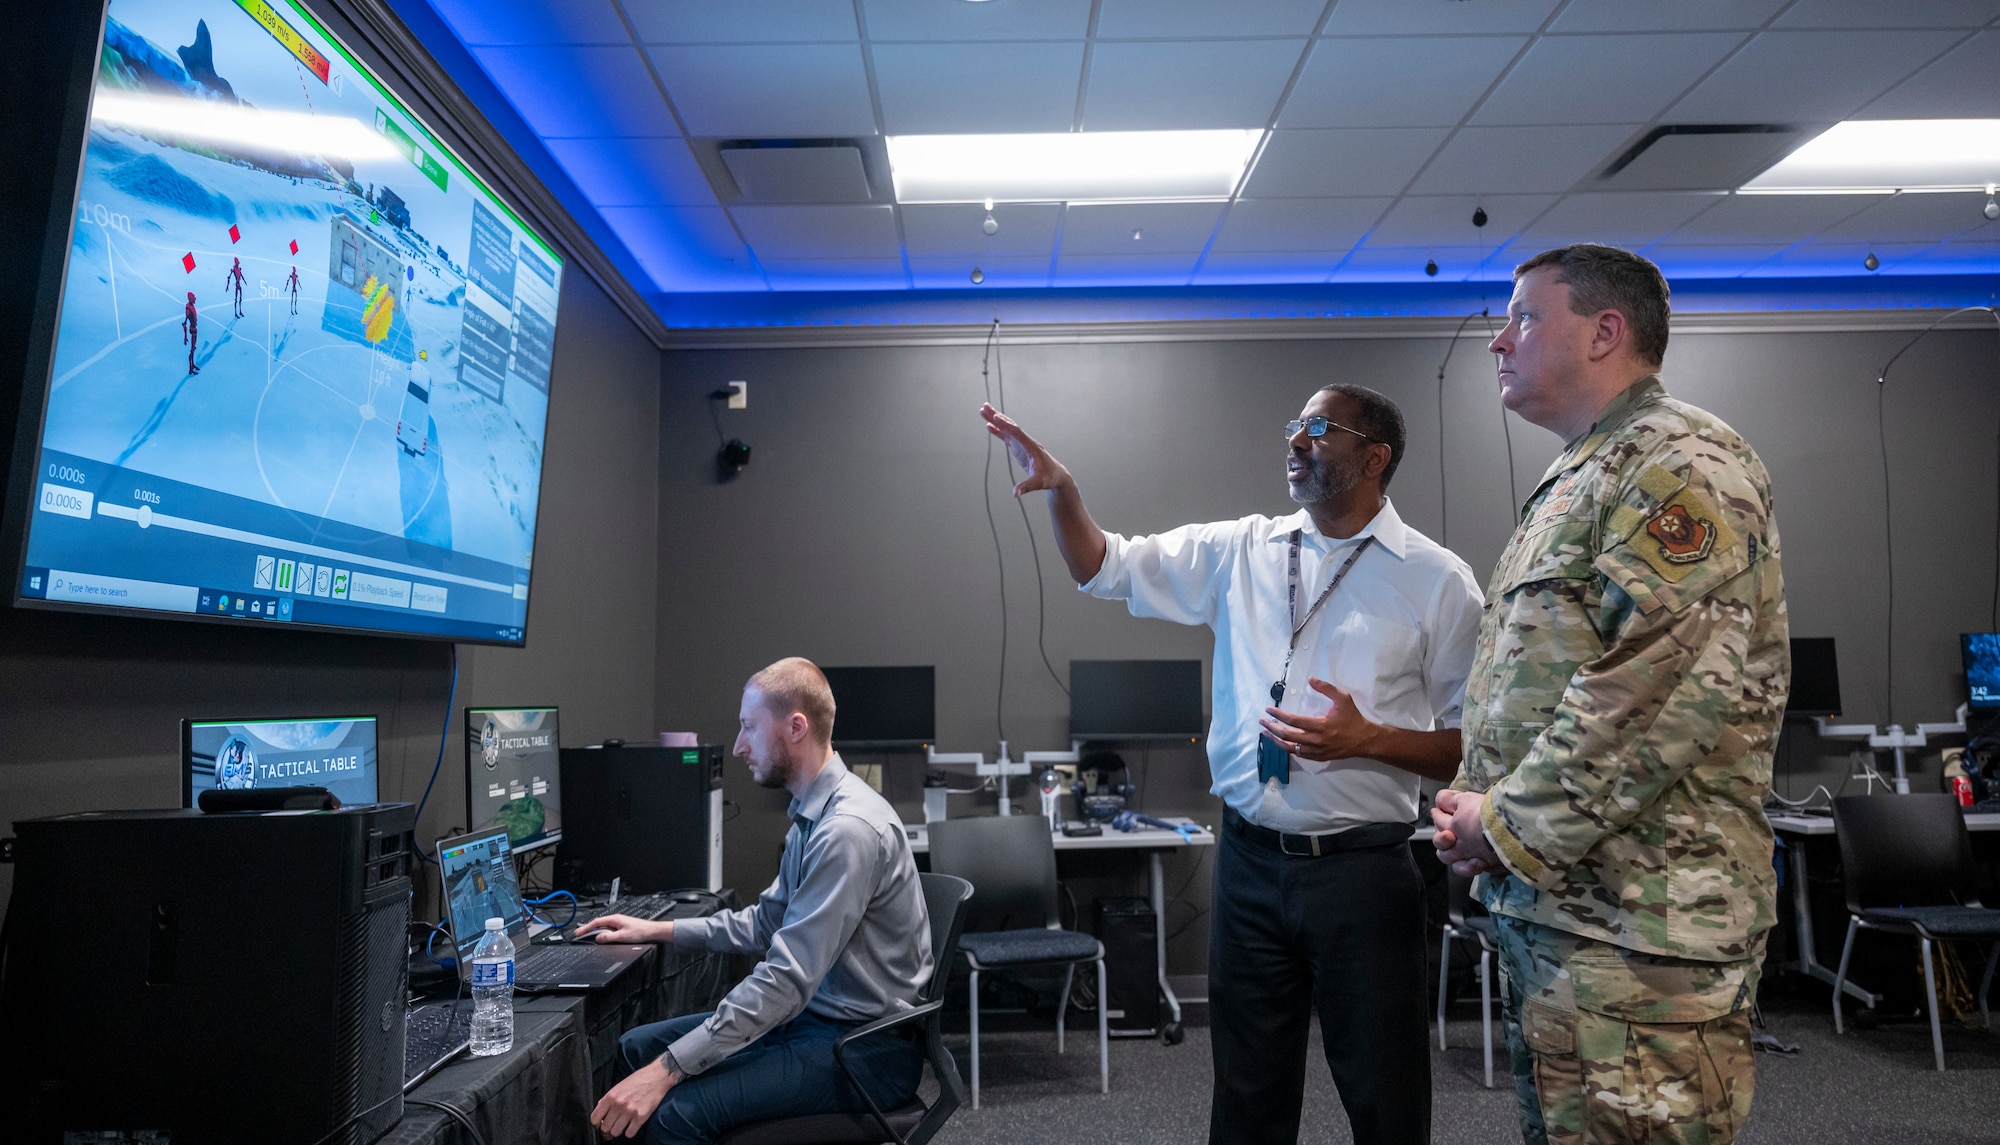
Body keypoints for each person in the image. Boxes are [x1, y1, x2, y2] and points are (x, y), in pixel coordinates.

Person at [983, 385, 1482, 1145]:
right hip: (1249, 864)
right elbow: (1103, 566)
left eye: (1320, 428)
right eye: (1295, 424)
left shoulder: (1439, 581)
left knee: (1387, 1097)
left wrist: (1368, 738)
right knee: (1246, 1097)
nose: (1297, 440)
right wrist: (1065, 493)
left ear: (1375, 457)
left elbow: (1470, 746)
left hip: (1362, 874)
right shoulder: (1245, 547)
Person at [1431, 244, 1788, 1145]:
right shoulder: (1585, 469)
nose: (1497, 341)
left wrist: (1503, 824)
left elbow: (1661, 691)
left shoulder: (1682, 460)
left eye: (1522, 316)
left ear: (1605, 331)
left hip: (1643, 935)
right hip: (1577, 920)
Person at [579, 658, 933, 1142]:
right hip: (819, 1022)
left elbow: (786, 979)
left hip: (867, 1050)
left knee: (668, 1112)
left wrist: (671, 1069)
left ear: (795, 726)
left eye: (748, 727)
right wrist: (658, 930)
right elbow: (765, 925)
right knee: (634, 1049)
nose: (740, 745)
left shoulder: (847, 830)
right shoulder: (812, 815)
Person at [181, 291, 200, 375]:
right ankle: (190, 368)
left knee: (193, 348)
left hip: (194, 328)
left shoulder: (191, 306)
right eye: (194, 297)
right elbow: (184, 323)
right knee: (192, 350)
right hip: (193, 329)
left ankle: (192, 364)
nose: (195, 299)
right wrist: (185, 337)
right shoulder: (188, 309)